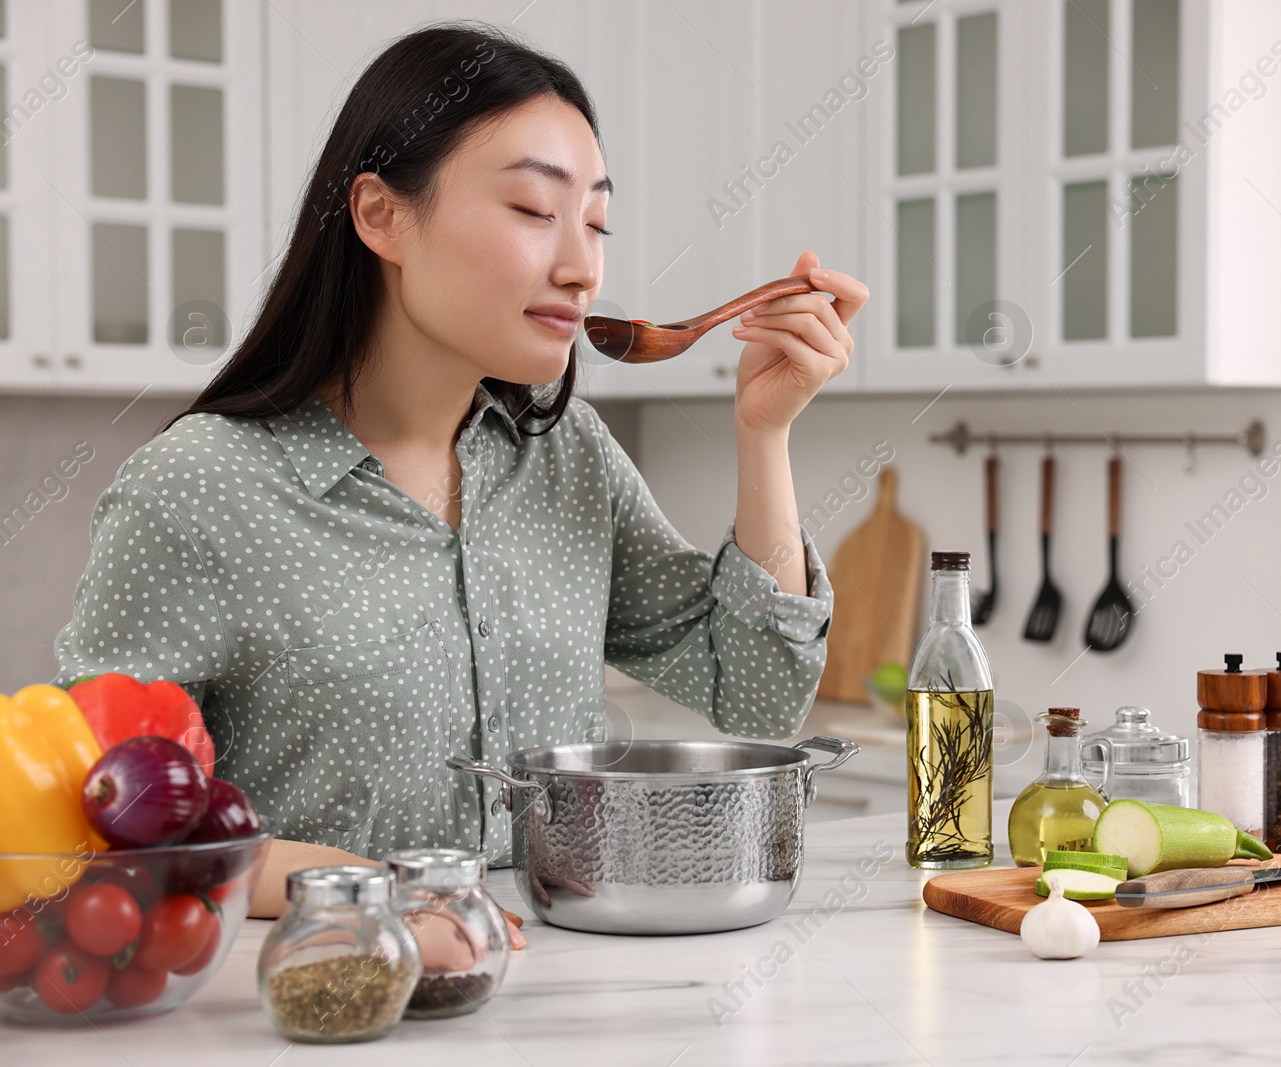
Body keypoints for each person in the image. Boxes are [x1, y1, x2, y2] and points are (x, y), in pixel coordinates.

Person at [51, 23, 865, 931]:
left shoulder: (566, 456)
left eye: (596, 222)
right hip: (312, 1000)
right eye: (532, 210)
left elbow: (759, 691)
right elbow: (101, 822)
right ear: (380, 216)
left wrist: (766, 434)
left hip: (552, 991)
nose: (581, 265)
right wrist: (400, 902)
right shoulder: (199, 487)